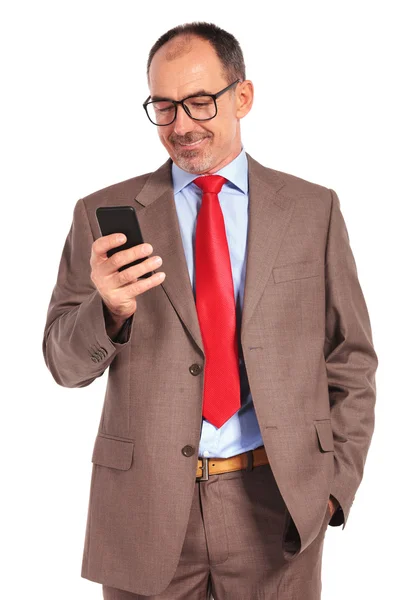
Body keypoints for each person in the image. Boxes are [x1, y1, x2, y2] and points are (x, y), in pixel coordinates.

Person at [42, 21, 378, 600]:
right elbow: (62, 363)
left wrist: (333, 485)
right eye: (165, 107)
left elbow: (350, 357)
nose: (182, 126)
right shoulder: (103, 213)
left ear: (242, 97)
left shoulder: (311, 210)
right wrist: (108, 311)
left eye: (200, 102)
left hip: (277, 511)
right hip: (144, 515)